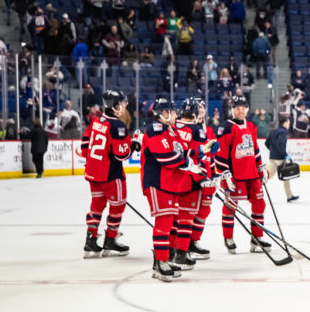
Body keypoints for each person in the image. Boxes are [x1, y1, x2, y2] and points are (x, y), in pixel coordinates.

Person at [141, 98, 203, 282]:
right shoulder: (155, 129)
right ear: (164, 113)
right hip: (157, 182)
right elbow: (165, 157)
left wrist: (202, 151)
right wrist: (187, 163)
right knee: (164, 221)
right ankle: (160, 262)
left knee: (169, 222)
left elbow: (183, 151)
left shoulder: (171, 130)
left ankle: (164, 259)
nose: (176, 114)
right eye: (173, 111)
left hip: (168, 184)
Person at [79, 90, 133, 258]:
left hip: (93, 173)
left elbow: (84, 146)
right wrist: (134, 145)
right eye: (122, 103)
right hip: (111, 175)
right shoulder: (117, 126)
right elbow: (122, 154)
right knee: (118, 206)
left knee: (96, 206)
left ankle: (90, 240)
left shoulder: (95, 121)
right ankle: (110, 239)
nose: (124, 106)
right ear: (115, 106)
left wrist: (92, 161)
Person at [214, 94, 271, 253]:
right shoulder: (226, 127)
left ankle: (257, 238)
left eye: (243, 108)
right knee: (231, 206)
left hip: (252, 173)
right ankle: (228, 238)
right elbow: (220, 154)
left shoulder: (251, 126)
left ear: (247, 109)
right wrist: (225, 173)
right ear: (233, 109)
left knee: (259, 204)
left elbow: (255, 149)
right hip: (235, 175)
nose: (240, 111)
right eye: (237, 108)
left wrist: (260, 166)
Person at [173, 97, 219, 265]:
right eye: (197, 106)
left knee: (202, 212)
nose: (200, 109)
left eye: (202, 107)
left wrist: (213, 175)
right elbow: (195, 154)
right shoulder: (191, 129)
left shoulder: (208, 130)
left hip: (204, 176)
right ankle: (179, 247)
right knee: (184, 214)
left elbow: (211, 156)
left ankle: (192, 242)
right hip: (192, 176)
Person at [265, 116, 297, 202]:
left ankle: (254, 191)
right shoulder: (283, 132)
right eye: (288, 123)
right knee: (286, 176)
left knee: (269, 175)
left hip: (272, 157)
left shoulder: (274, 131)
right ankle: (289, 196)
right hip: (280, 157)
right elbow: (280, 144)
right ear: (285, 122)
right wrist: (285, 155)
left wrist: (273, 151)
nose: (289, 125)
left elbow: (266, 143)